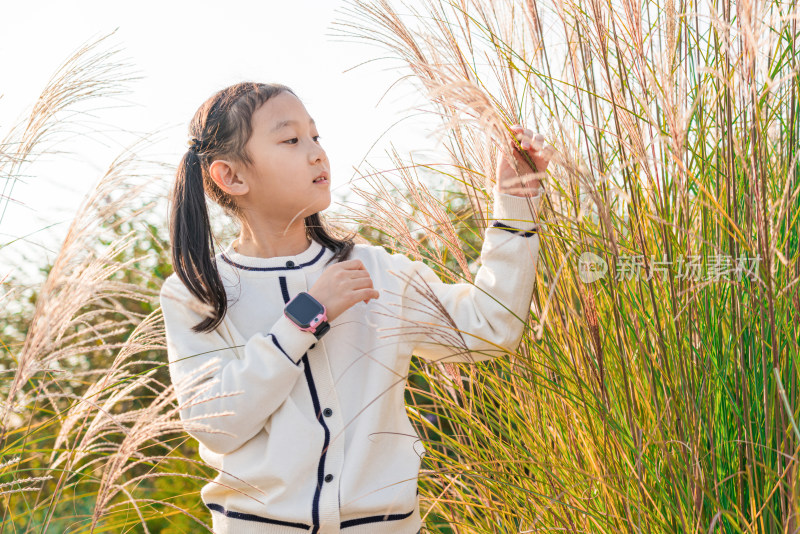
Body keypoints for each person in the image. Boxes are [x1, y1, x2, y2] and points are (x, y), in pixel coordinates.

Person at [160, 81, 553, 534]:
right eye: (290, 140)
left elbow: (489, 328)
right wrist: (304, 318)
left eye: (316, 136)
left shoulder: (378, 272)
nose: (316, 153)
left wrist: (516, 206)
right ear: (231, 177)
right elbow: (216, 426)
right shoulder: (198, 292)